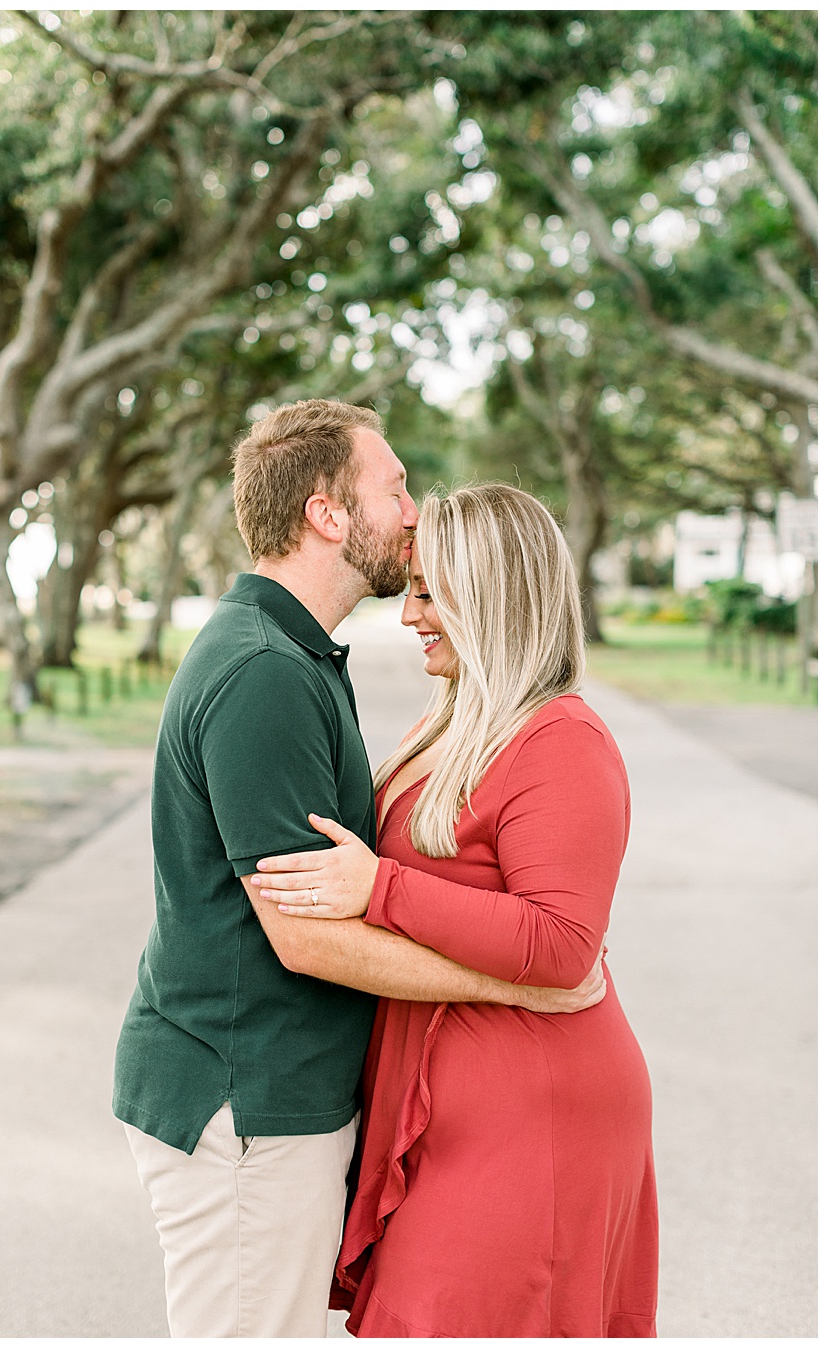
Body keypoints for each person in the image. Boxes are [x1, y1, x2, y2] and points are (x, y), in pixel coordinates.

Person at [112, 400, 605, 1337]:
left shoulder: (298, 657)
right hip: (245, 1098)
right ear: (328, 515)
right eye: (395, 488)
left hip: (271, 1093)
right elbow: (303, 936)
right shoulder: (263, 670)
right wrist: (522, 990)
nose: (415, 511)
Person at [250, 483, 658, 1336]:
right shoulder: (455, 723)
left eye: (432, 592)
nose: (410, 616)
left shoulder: (562, 741)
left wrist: (380, 889)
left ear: (492, 595)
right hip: (450, 1107)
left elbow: (562, 942)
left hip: (533, 1113)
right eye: (412, 590)